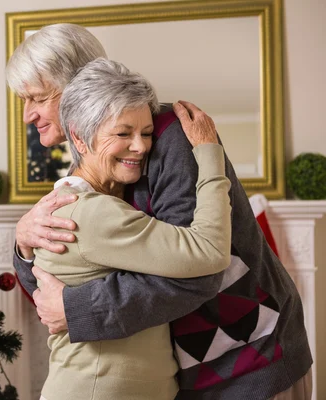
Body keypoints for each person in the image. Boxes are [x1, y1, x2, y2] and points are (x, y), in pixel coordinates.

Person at [6, 23, 312, 400]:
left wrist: (78, 310)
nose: (28, 115)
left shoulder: (171, 140)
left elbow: (200, 270)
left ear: (80, 86)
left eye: (37, 97)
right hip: (182, 372)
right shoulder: (86, 172)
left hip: (248, 359)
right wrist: (23, 245)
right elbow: (54, 287)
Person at [36, 57, 231, 400]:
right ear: (80, 139)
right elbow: (210, 253)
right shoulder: (93, 214)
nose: (141, 147)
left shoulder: (77, 202)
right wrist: (208, 152)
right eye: (123, 133)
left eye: (146, 133)